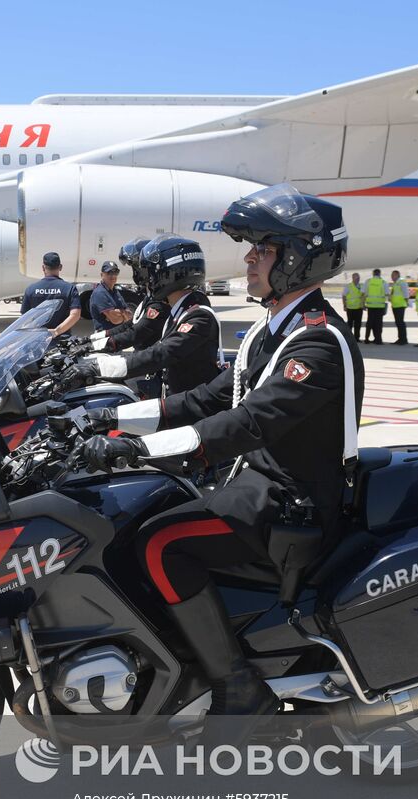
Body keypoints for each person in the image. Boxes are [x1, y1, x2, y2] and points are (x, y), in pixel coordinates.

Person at [77, 185, 362, 746]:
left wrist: (139, 447)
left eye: (263, 249)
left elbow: (246, 424)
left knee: (159, 542)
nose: (250, 259)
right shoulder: (273, 329)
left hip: (290, 499)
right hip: (258, 484)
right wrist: (114, 421)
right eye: (252, 248)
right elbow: (210, 397)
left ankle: (239, 686)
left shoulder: (318, 343)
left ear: (299, 257)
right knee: (135, 513)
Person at [60, 236, 221, 398]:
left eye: (153, 272)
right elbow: (130, 327)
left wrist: (99, 366)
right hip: (174, 396)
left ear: (170, 274)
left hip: (189, 406)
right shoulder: (178, 310)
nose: (149, 277)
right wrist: (89, 342)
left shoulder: (199, 317)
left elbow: (159, 352)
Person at [19, 251, 81, 336]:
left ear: (43, 267)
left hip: (37, 340)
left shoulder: (31, 289)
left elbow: (25, 318)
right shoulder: (69, 288)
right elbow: (75, 314)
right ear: (60, 267)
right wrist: (56, 331)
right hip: (61, 341)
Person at [88, 260, 129, 330]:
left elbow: (129, 315)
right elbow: (115, 320)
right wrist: (123, 314)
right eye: (109, 273)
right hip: (105, 336)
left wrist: (121, 313)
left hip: (118, 334)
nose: (113, 276)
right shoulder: (99, 293)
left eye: (115, 273)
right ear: (102, 275)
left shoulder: (115, 291)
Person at [363, 268, 387, 345]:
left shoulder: (368, 281)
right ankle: (378, 340)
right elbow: (387, 293)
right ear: (379, 274)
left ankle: (366, 339)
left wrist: (363, 304)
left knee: (370, 323)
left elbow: (364, 293)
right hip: (380, 306)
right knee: (378, 324)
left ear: (373, 274)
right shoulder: (383, 282)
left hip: (370, 305)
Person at [388, 270, 410, 345]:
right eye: (391, 275)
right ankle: (400, 338)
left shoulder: (401, 282)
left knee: (400, 323)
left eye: (393, 275)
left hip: (400, 305)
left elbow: (406, 293)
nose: (392, 277)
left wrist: (406, 303)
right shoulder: (396, 283)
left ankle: (403, 339)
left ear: (397, 275)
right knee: (398, 323)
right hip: (395, 305)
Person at [341, 272, 365, 341]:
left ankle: (357, 338)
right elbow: (344, 296)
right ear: (353, 278)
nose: (358, 279)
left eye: (358, 278)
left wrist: (363, 305)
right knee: (350, 324)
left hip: (359, 308)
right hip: (350, 308)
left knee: (358, 324)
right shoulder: (348, 286)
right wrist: (344, 305)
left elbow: (363, 296)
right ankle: (349, 338)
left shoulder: (361, 286)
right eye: (356, 278)